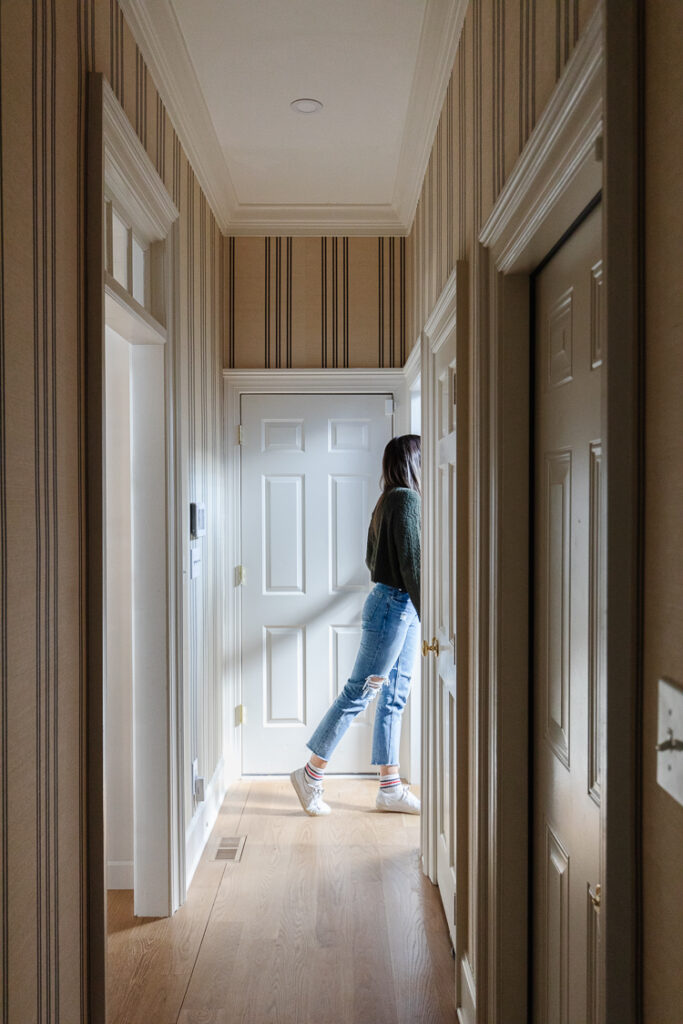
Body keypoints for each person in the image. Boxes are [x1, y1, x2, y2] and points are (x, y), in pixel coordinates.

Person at [290, 434, 422, 816]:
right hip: (396, 605)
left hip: (396, 604)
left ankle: (390, 788)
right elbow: (413, 568)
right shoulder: (407, 500)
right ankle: (310, 775)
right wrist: (432, 621)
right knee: (359, 693)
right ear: (413, 461)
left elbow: (371, 558)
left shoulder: (386, 501)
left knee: (394, 695)